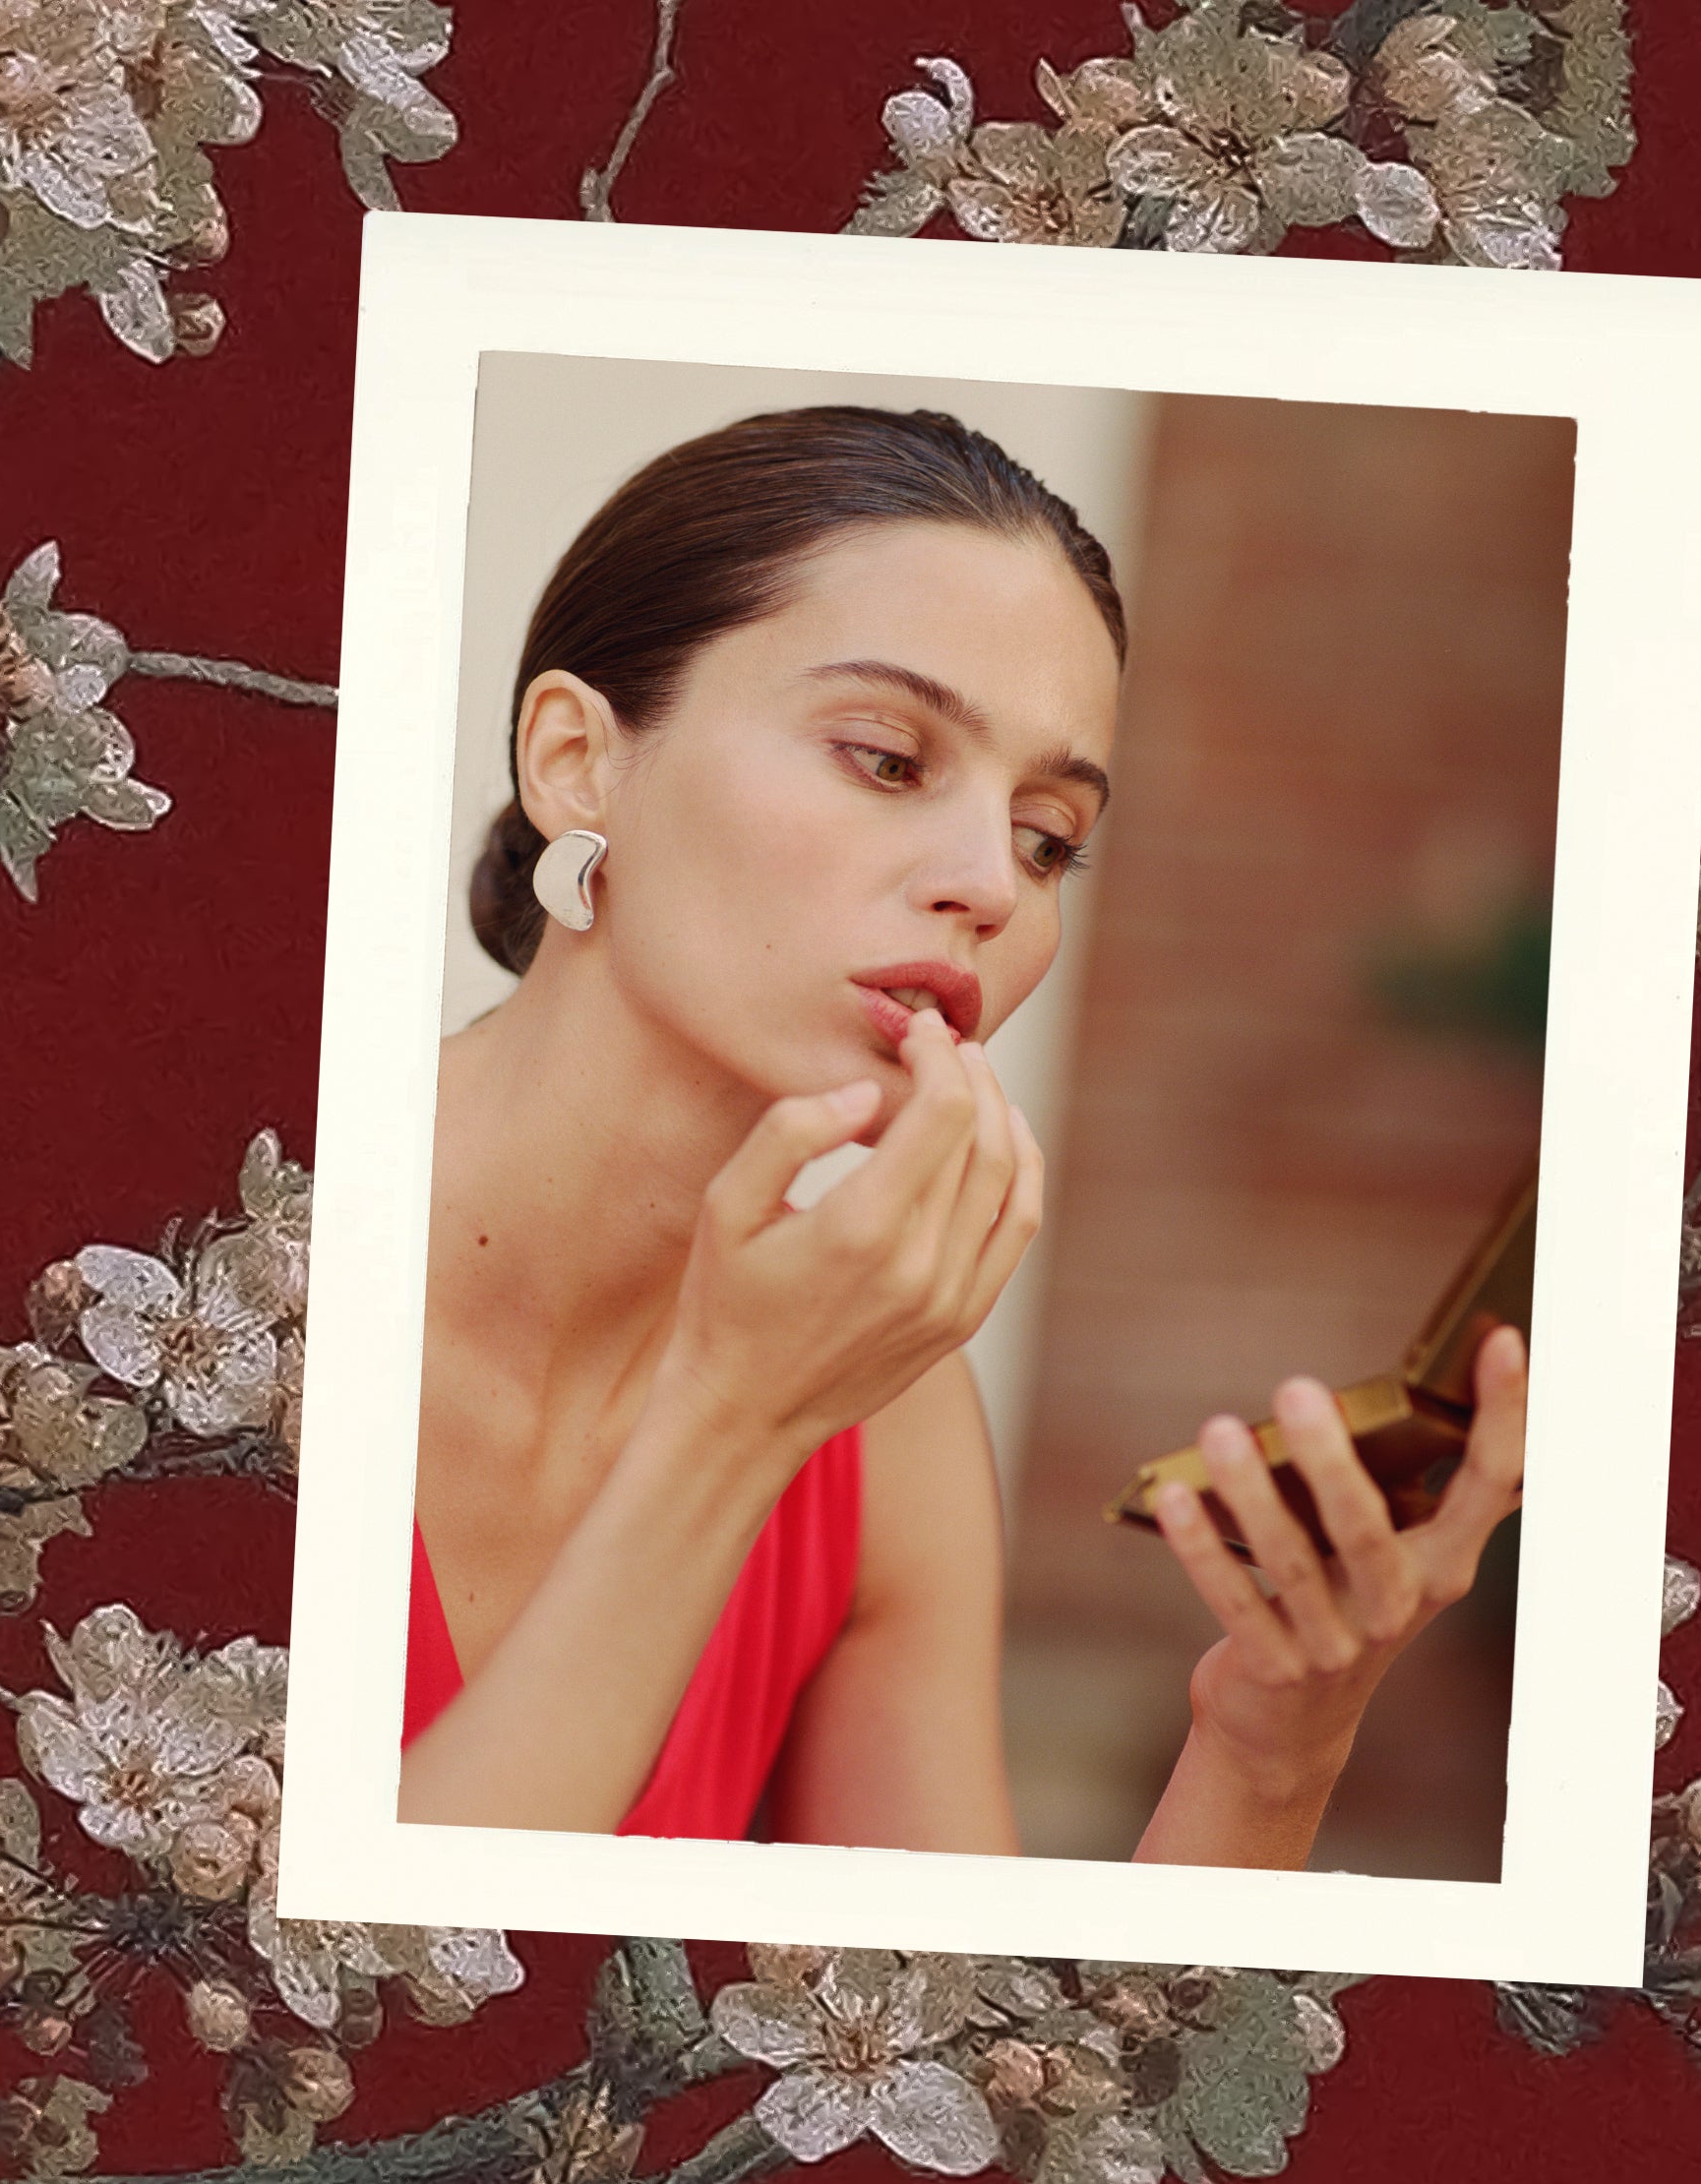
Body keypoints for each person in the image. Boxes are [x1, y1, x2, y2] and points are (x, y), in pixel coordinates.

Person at [397, 406, 1526, 1863]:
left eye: (1050, 835)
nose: (991, 883)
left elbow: (981, 2066)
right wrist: (738, 1423)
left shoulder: (887, 1417)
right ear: (575, 761)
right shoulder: (223, 1264)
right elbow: (317, 2014)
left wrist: (1273, 1742)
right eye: (885, 756)